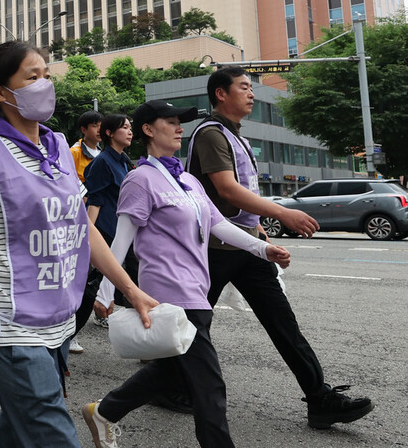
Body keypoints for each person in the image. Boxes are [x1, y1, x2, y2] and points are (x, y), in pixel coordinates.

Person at [0, 41, 156, 447]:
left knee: (13, 434)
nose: (44, 85)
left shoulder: (57, 148)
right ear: (1, 92)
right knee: (55, 437)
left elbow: (81, 227)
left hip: (58, 325)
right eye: (31, 77)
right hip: (11, 328)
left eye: (47, 75)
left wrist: (132, 291)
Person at [82, 99, 292, 448]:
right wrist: (106, 295)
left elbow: (219, 225)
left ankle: (104, 411)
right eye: (171, 121)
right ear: (148, 130)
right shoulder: (140, 179)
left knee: (170, 369)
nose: (180, 127)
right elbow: (119, 243)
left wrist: (262, 248)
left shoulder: (189, 181)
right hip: (168, 293)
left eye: (181, 122)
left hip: (196, 288)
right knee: (209, 386)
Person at [183, 66, 374, 429]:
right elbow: (225, 189)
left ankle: (320, 399)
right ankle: (163, 386)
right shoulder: (210, 133)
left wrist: (260, 232)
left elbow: (243, 196)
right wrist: (283, 213)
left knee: (282, 323)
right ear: (221, 94)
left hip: (245, 247)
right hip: (213, 250)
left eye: (251, 88)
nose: (251, 94)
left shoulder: (234, 135)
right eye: (243, 87)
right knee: (192, 325)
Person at [69, 114, 135, 354]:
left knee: (129, 283)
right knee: (91, 288)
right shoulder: (102, 163)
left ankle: (143, 341)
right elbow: (93, 202)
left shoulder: (124, 161)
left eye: (130, 127)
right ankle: (68, 335)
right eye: (124, 128)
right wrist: (88, 238)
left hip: (122, 233)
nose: (130, 131)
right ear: (109, 133)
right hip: (104, 232)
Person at [69, 110, 103, 183]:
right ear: (84, 130)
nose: (100, 130)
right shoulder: (74, 153)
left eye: (101, 126)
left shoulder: (103, 153)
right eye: (95, 126)